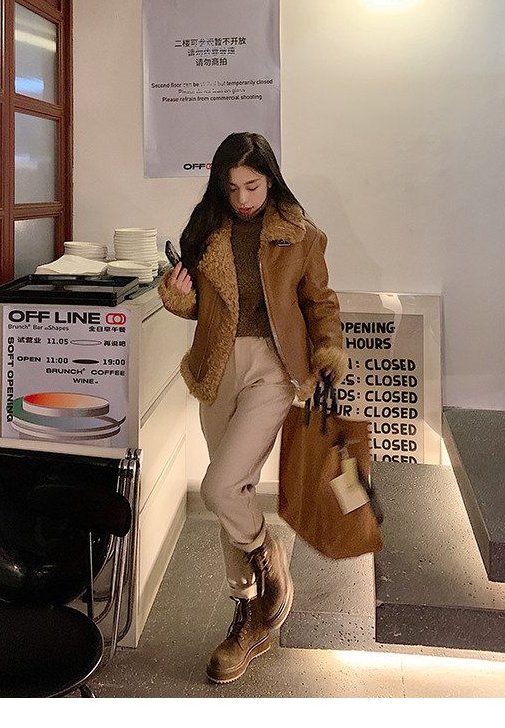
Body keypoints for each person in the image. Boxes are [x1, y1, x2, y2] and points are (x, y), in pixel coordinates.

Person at [158, 132, 346, 683]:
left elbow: (320, 303)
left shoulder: (301, 234)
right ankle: (247, 615)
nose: (242, 198)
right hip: (217, 366)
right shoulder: (204, 230)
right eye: (233, 186)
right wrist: (178, 294)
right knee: (233, 490)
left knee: (218, 488)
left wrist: (328, 350)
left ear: (270, 179)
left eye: (253, 185)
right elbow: (200, 309)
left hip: (273, 367)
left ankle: (268, 552)